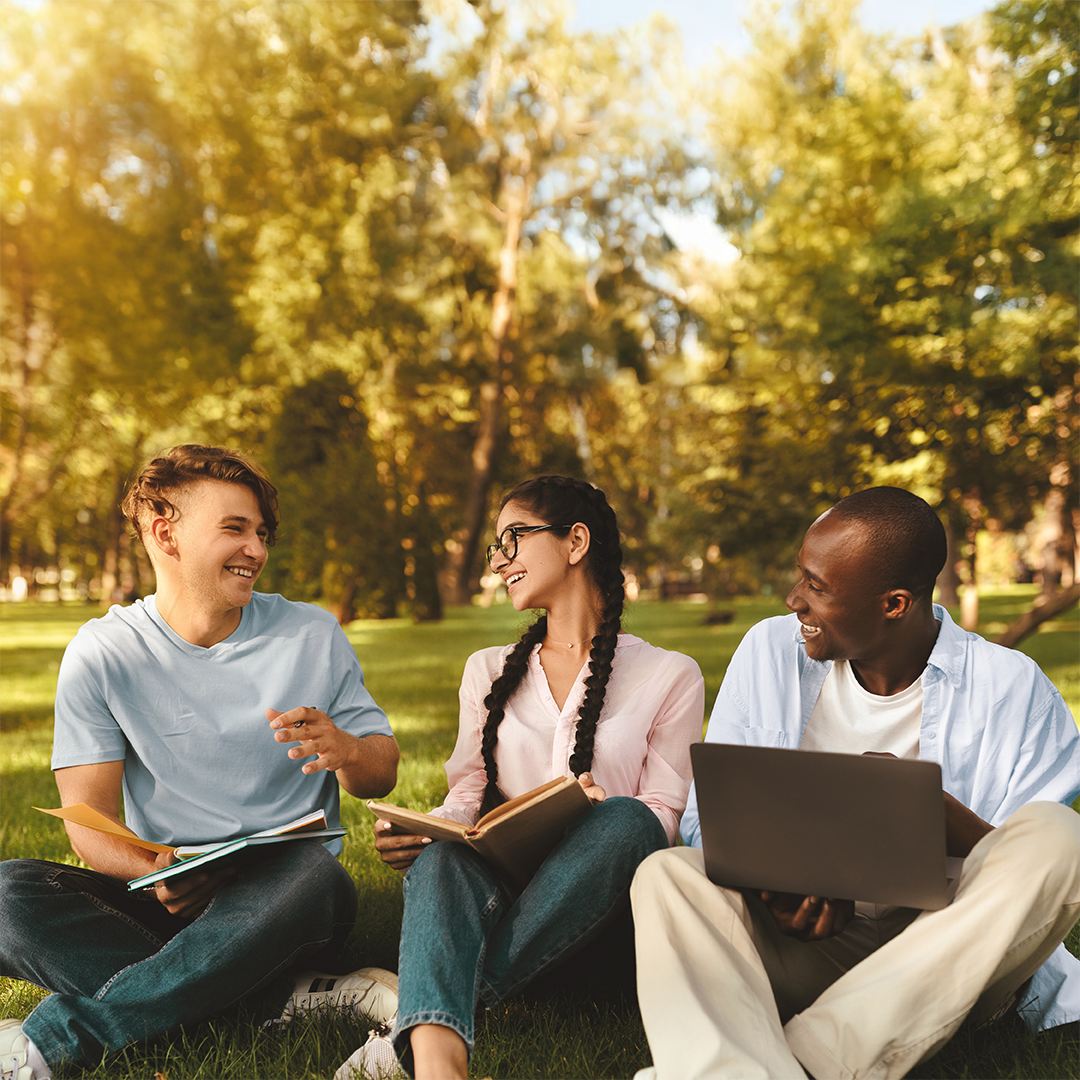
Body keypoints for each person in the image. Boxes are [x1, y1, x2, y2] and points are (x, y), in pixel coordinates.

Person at [630, 486, 1080, 1080]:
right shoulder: (769, 651)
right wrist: (778, 890)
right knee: (667, 874)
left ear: (894, 603)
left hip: (944, 959)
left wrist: (940, 821)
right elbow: (704, 822)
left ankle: (808, 1058)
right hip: (800, 944)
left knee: (1058, 833)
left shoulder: (1013, 688)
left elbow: (1031, 880)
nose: (795, 600)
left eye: (817, 587)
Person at [0, 445, 401, 1079]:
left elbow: (382, 770)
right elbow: (87, 818)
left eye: (261, 533)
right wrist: (155, 869)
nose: (258, 551)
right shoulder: (104, 652)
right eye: (235, 529)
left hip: (284, 894)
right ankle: (286, 998)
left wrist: (348, 751)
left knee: (312, 875)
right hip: (166, 898)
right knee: (6, 893)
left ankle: (56, 1040)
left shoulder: (312, 634)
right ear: (166, 533)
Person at [336, 475, 705, 1080]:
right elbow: (468, 790)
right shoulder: (487, 671)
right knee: (440, 861)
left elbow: (665, 816)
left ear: (575, 541)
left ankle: (427, 1007)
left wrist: (589, 809)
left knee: (627, 817)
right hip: (504, 893)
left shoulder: (669, 675)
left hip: (601, 923)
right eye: (495, 547)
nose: (499, 560)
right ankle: (436, 1067)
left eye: (513, 538)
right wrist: (432, 830)